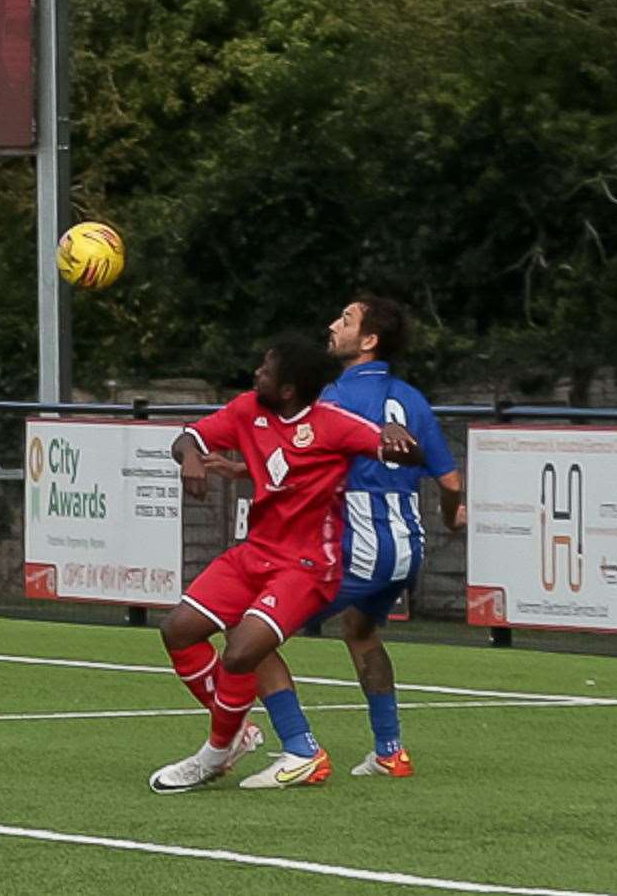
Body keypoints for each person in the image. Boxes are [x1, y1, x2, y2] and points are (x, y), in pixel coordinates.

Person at [149, 334, 421, 794]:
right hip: (254, 552)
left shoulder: (331, 424)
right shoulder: (245, 410)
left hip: (307, 565)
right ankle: (246, 735)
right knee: (177, 629)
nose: (257, 373)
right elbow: (188, 437)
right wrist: (190, 457)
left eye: (267, 369)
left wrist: (398, 439)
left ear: (290, 388)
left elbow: (406, 454)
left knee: (242, 651)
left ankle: (223, 752)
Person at [235, 297, 464, 789]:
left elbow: (294, 457)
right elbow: (450, 483)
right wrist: (453, 518)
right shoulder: (413, 399)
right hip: (408, 547)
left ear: (368, 340)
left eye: (345, 320)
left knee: (247, 634)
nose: (332, 325)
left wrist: (242, 466)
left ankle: (300, 750)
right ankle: (390, 752)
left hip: (357, 543)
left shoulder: (334, 398)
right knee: (360, 631)